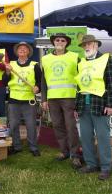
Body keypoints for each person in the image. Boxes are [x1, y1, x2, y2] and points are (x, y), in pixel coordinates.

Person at [74, 34, 112, 180]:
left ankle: (106, 167)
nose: (86, 47)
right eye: (84, 45)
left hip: (100, 105)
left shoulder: (107, 60)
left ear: (96, 45)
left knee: (102, 136)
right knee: (85, 137)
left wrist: (111, 104)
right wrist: (76, 107)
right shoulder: (81, 63)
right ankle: (91, 164)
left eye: (89, 44)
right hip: (83, 105)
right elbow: (79, 86)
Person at [41, 33, 82, 168]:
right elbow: (43, 80)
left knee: (71, 126)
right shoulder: (45, 59)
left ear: (66, 43)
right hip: (52, 98)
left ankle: (75, 155)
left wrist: (79, 98)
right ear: (53, 42)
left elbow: (81, 78)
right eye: (57, 40)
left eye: (62, 40)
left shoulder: (74, 57)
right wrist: (44, 99)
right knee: (57, 125)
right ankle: (64, 151)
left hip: (69, 97)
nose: (59, 42)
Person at [3, 42, 41, 157]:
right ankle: (16, 146)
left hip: (29, 100)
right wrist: (8, 72)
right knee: (14, 124)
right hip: (14, 100)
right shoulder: (11, 64)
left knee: (31, 125)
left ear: (29, 52)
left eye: (25, 48)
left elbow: (39, 81)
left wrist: (37, 89)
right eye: (20, 48)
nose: (22, 49)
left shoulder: (35, 65)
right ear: (16, 51)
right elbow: (4, 81)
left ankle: (33, 147)